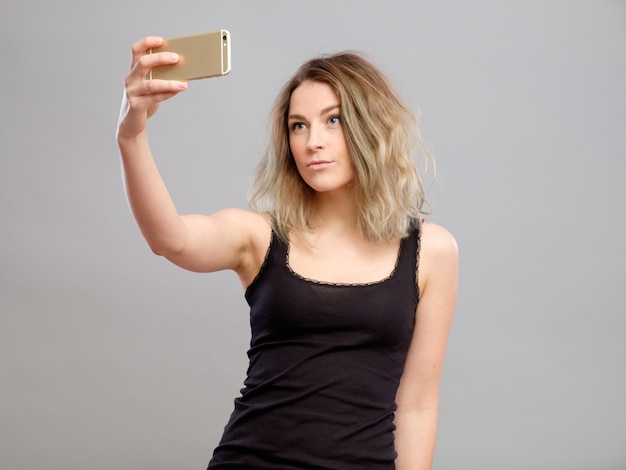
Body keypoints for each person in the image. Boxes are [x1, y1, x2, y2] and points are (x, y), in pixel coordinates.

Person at [117, 36, 458, 470]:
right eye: (298, 125)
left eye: (332, 120)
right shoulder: (260, 235)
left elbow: (417, 409)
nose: (312, 140)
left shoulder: (432, 252)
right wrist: (131, 134)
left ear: (371, 126)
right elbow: (171, 239)